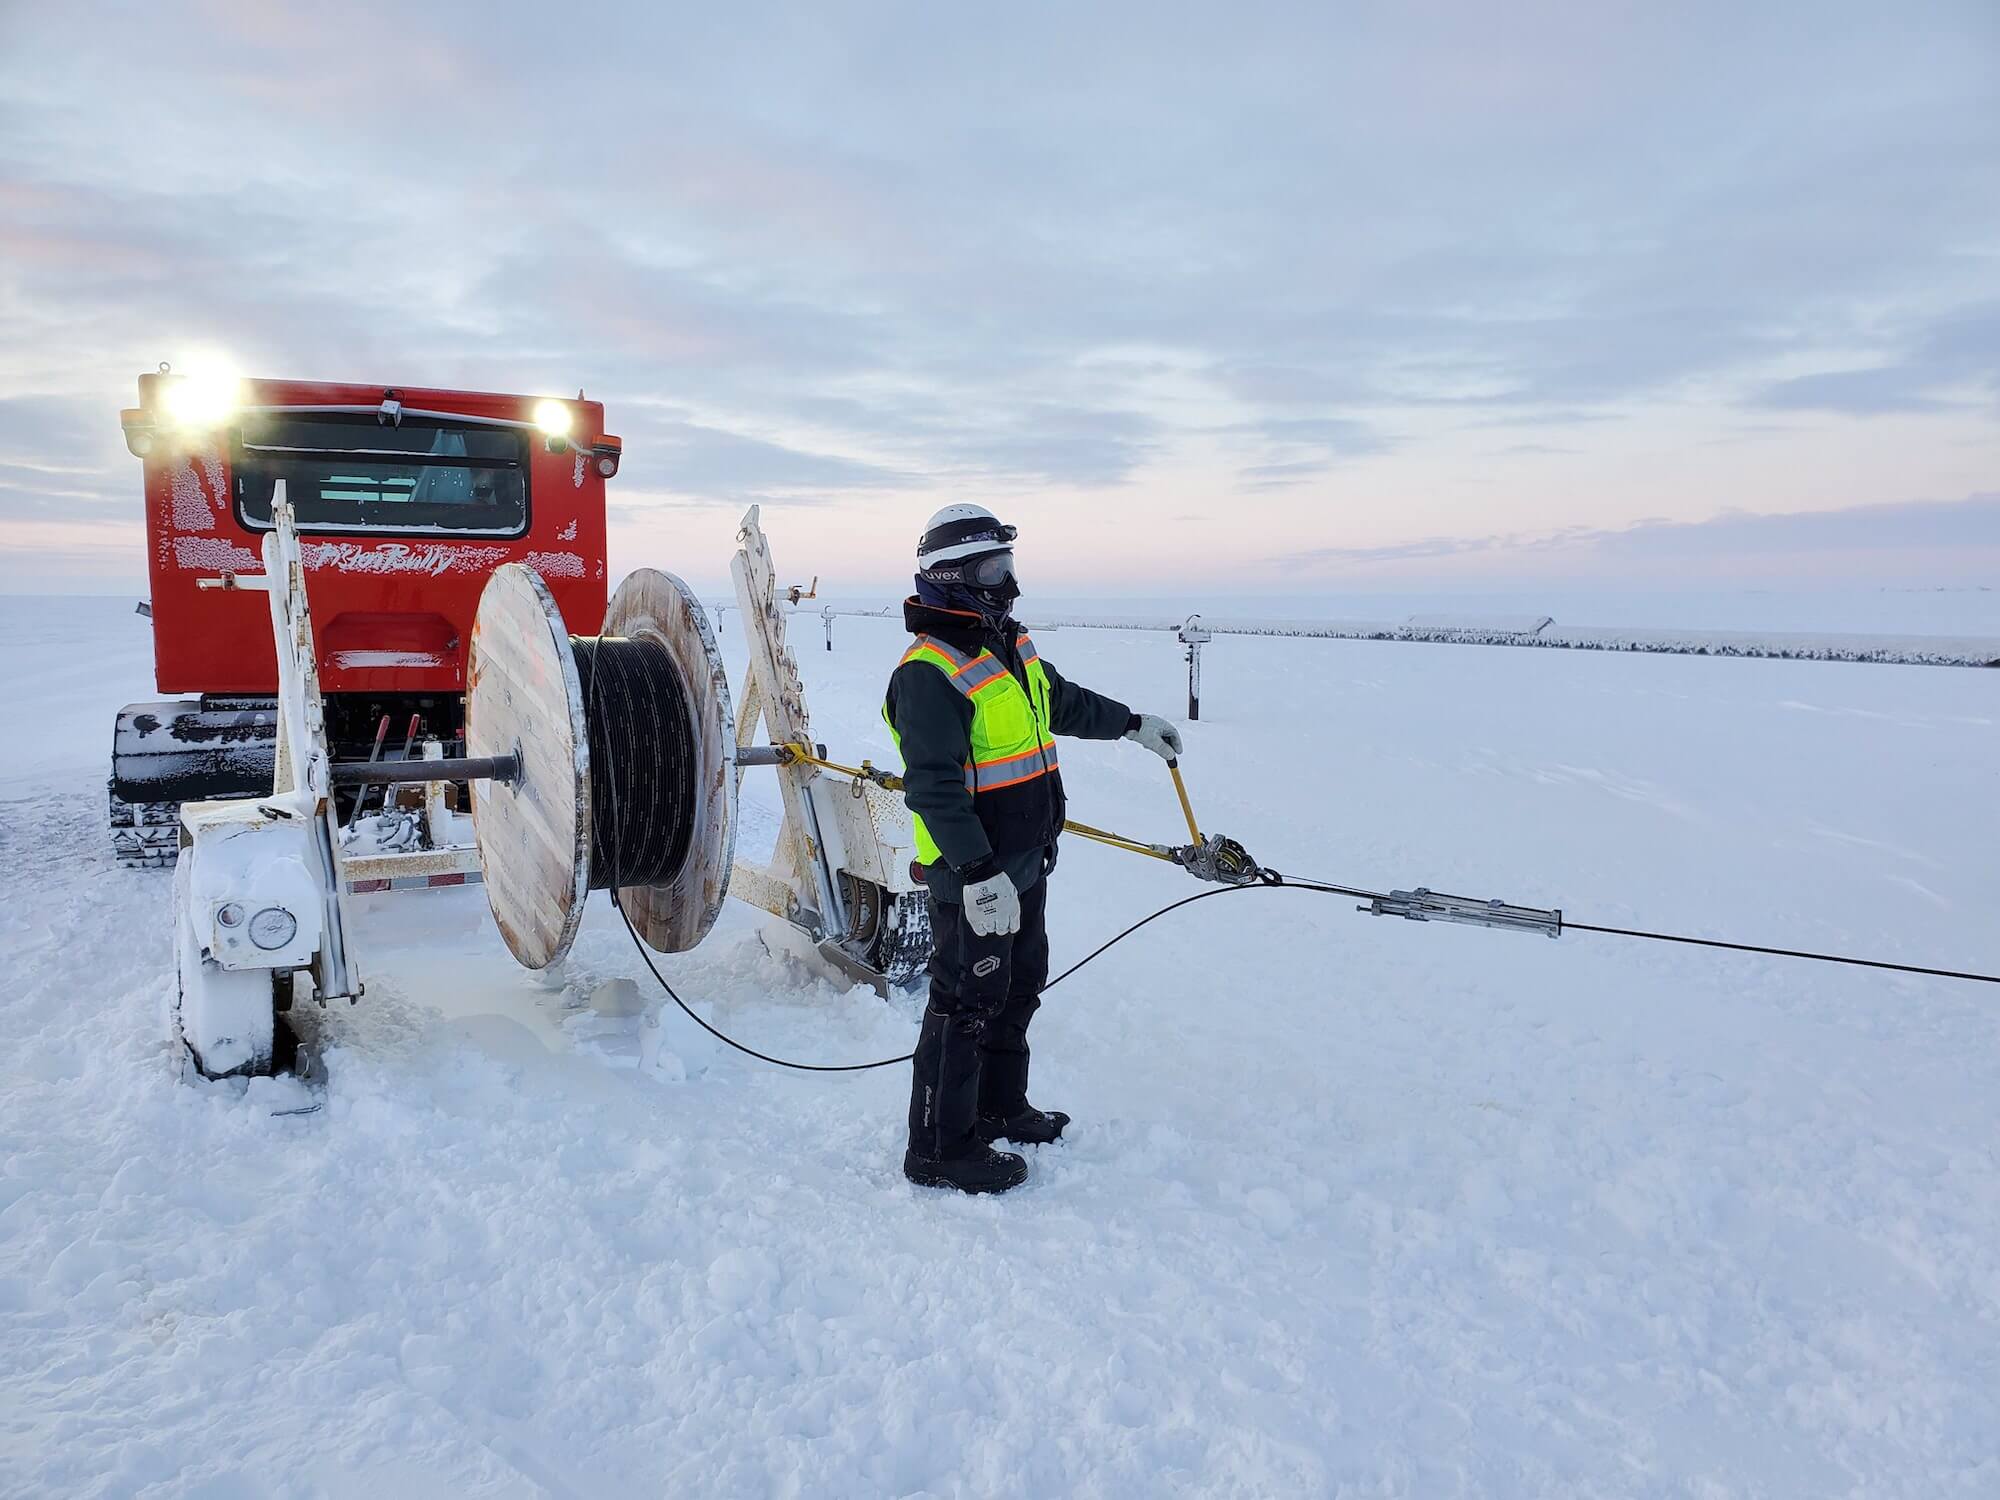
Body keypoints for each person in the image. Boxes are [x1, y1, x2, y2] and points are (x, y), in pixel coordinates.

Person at [883, 504, 1184, 1194]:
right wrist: (976, 870)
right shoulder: (930, 671)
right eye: (994, 570)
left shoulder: (1006, 647)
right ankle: (938, 1146)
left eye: (1009, 567)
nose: (1009, 584)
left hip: (1023, 865)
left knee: (1016, 991)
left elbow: (1062, 702)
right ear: (953, 578)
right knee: (964, 1003)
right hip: (976, 878)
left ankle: (996, 1106)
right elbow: (931, 787)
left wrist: (1131, 725)